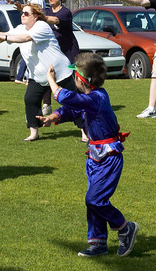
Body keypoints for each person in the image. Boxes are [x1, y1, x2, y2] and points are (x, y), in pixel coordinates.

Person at [37, 53, 138, 257]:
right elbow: (71, 110)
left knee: (94, 199)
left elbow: (67, 98)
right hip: (94, 156)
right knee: (94, 201)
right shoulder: (88, 100)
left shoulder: (98, 97)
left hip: (109, 157)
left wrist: (51, 81)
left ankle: (125, 227)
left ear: (80, 79)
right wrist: (53, 117)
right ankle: (98, 243)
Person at [0, 1, 76, 142]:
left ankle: (85, 131)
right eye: (22, 13)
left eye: (26, 13)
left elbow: (26, 38)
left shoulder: (42, 26)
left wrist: (5, 38)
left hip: (59, 71)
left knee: (73, 101)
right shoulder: (21, 28)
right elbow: (8, 34)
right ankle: (34, 133)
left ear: (36, 16)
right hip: (38, 75)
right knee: (30, 100)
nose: (23, 15)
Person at [42, 0, 79, 115]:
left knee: (73, 80)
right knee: (49, 73)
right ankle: (46, 104)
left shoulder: (65, 12)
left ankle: (79, 103)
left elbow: (55, 20)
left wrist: (40, 17)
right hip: (54, 51)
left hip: (69, 51)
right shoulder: (45, 11)